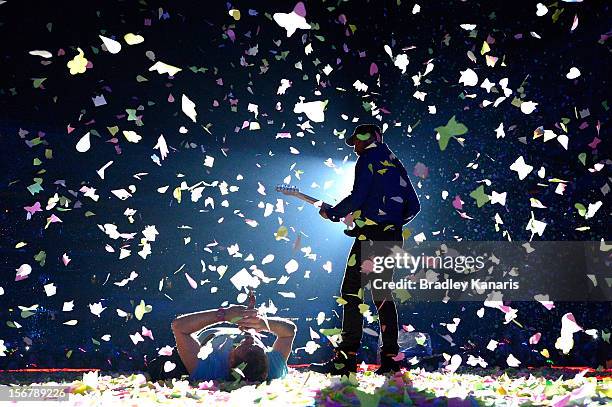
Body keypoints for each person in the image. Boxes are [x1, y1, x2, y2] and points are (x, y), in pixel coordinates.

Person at [310, 123, 420, 375]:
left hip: (370, 238)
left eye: (358, 141)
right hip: (391, 239)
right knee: (382, 294)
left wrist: (333, 213)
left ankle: (346, 359)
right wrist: (391, 225)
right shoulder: (395, 162)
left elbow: (357, 197)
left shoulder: (368, 158)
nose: (355, 147)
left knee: (351, 292)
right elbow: (414, 206)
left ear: (369, 138)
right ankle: (391, 360)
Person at [151, 304, 296, 383]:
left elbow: (178, 326)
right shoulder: (272, 369)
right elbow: (290, 331)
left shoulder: (210, 372)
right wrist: (263, 324)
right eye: (258, 347)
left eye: (246, 345)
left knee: (162, 367)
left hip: (202, 340)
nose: (251, 338)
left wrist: (223, 314)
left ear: (231, 359)